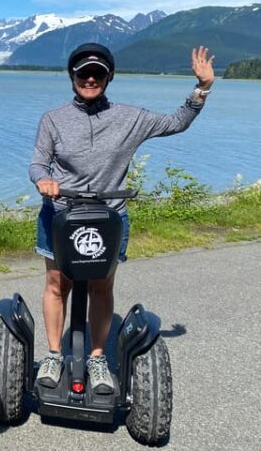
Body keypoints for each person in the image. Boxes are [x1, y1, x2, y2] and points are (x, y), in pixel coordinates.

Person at [28, 42, 215, 393]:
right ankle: (54, 354)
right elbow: (38, 161)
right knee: (57, 285)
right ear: (72, 76)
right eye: (83, 72)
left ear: (109, 77)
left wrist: (202, 88)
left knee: (102, 286)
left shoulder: (130, 117)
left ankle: (97, 357)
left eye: (98, 72)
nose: (90, 78)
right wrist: (44, 179)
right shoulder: (53, 119)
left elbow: (176, 122)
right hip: (61, 214)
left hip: (108, 216)